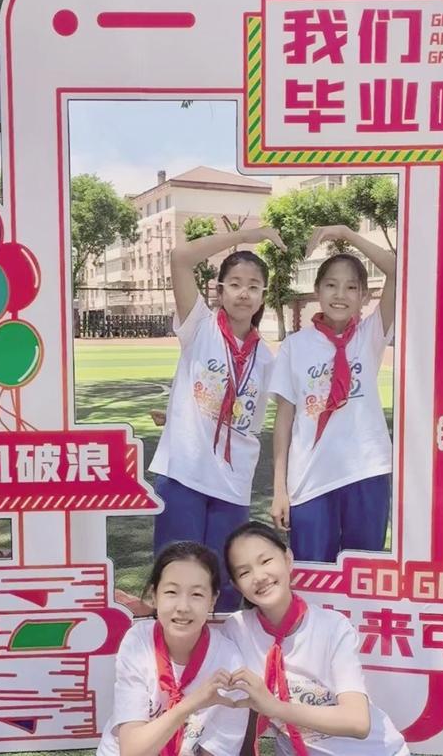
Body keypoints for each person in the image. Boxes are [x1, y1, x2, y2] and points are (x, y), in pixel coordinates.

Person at [149, 227, 284, 610]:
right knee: (177, 575)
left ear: (263, 297)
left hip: (233, 482)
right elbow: (180, 257)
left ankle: (221, 648)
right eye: (235, 284)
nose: (244, 293)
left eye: (254, 287)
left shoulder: (266, 358)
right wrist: (250, 233)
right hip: (184, 474)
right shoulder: (200, 325)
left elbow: (251, 419)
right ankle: (172, 648)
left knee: (226, 583)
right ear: (220, 290)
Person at [221, 521, 409, 756]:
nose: (258, 576)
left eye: (266, 561)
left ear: (288, 559)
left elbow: (358, 722)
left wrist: (275, 707)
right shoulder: (237, 630)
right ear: (236, 586)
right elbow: (237, 708)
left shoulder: (332, 626)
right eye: (244, 572)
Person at [270, 224, 396, 562]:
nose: (340, 294)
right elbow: (284, 421)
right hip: (310, 479)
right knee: (312, 575)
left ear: (364, 296)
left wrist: (346, 233)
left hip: (366, 472)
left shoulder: (370, 336)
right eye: (331, 285)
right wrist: (280, 489)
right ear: (317, 290)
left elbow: (397, 269)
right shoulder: (295, 346)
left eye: (351, 287)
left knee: (362, 574)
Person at [96, 541, 248, 756]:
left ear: (213, 600)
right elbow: (132, 751)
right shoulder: (138, 642)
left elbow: (217, 750)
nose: (183, 607)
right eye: (171, 592)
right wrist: (193, 703)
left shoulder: (229, 660)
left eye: (197, 594)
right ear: (154, 595)